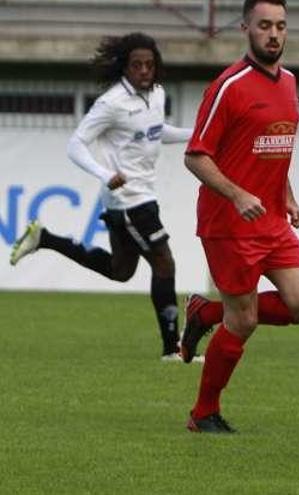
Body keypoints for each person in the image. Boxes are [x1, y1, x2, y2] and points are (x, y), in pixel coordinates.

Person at [9, 32, 195, 362]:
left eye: (149, 65)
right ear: (124, 67)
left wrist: (194, 135)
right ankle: (172, 350)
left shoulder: (157, 94)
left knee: (120, 270)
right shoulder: (111, 103)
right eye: (136, 65)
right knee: (164, 262)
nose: (144, 71)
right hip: (128, 199)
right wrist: (105, 174)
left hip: (141, 196)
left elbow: (156, 132)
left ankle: (45, 238)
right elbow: (76, 144)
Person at [181, 0, 299, 434]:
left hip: (272, 219)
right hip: (229, 223)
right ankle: (203, 412)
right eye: (264, 25)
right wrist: (238, 194)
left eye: (280, 26)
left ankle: (207, 312)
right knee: (244, 321)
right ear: (245, 28)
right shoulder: (229, 85)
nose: (273, 34)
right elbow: (196, 156)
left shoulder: (291, 82)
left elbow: (272, 149)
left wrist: (288, 196)